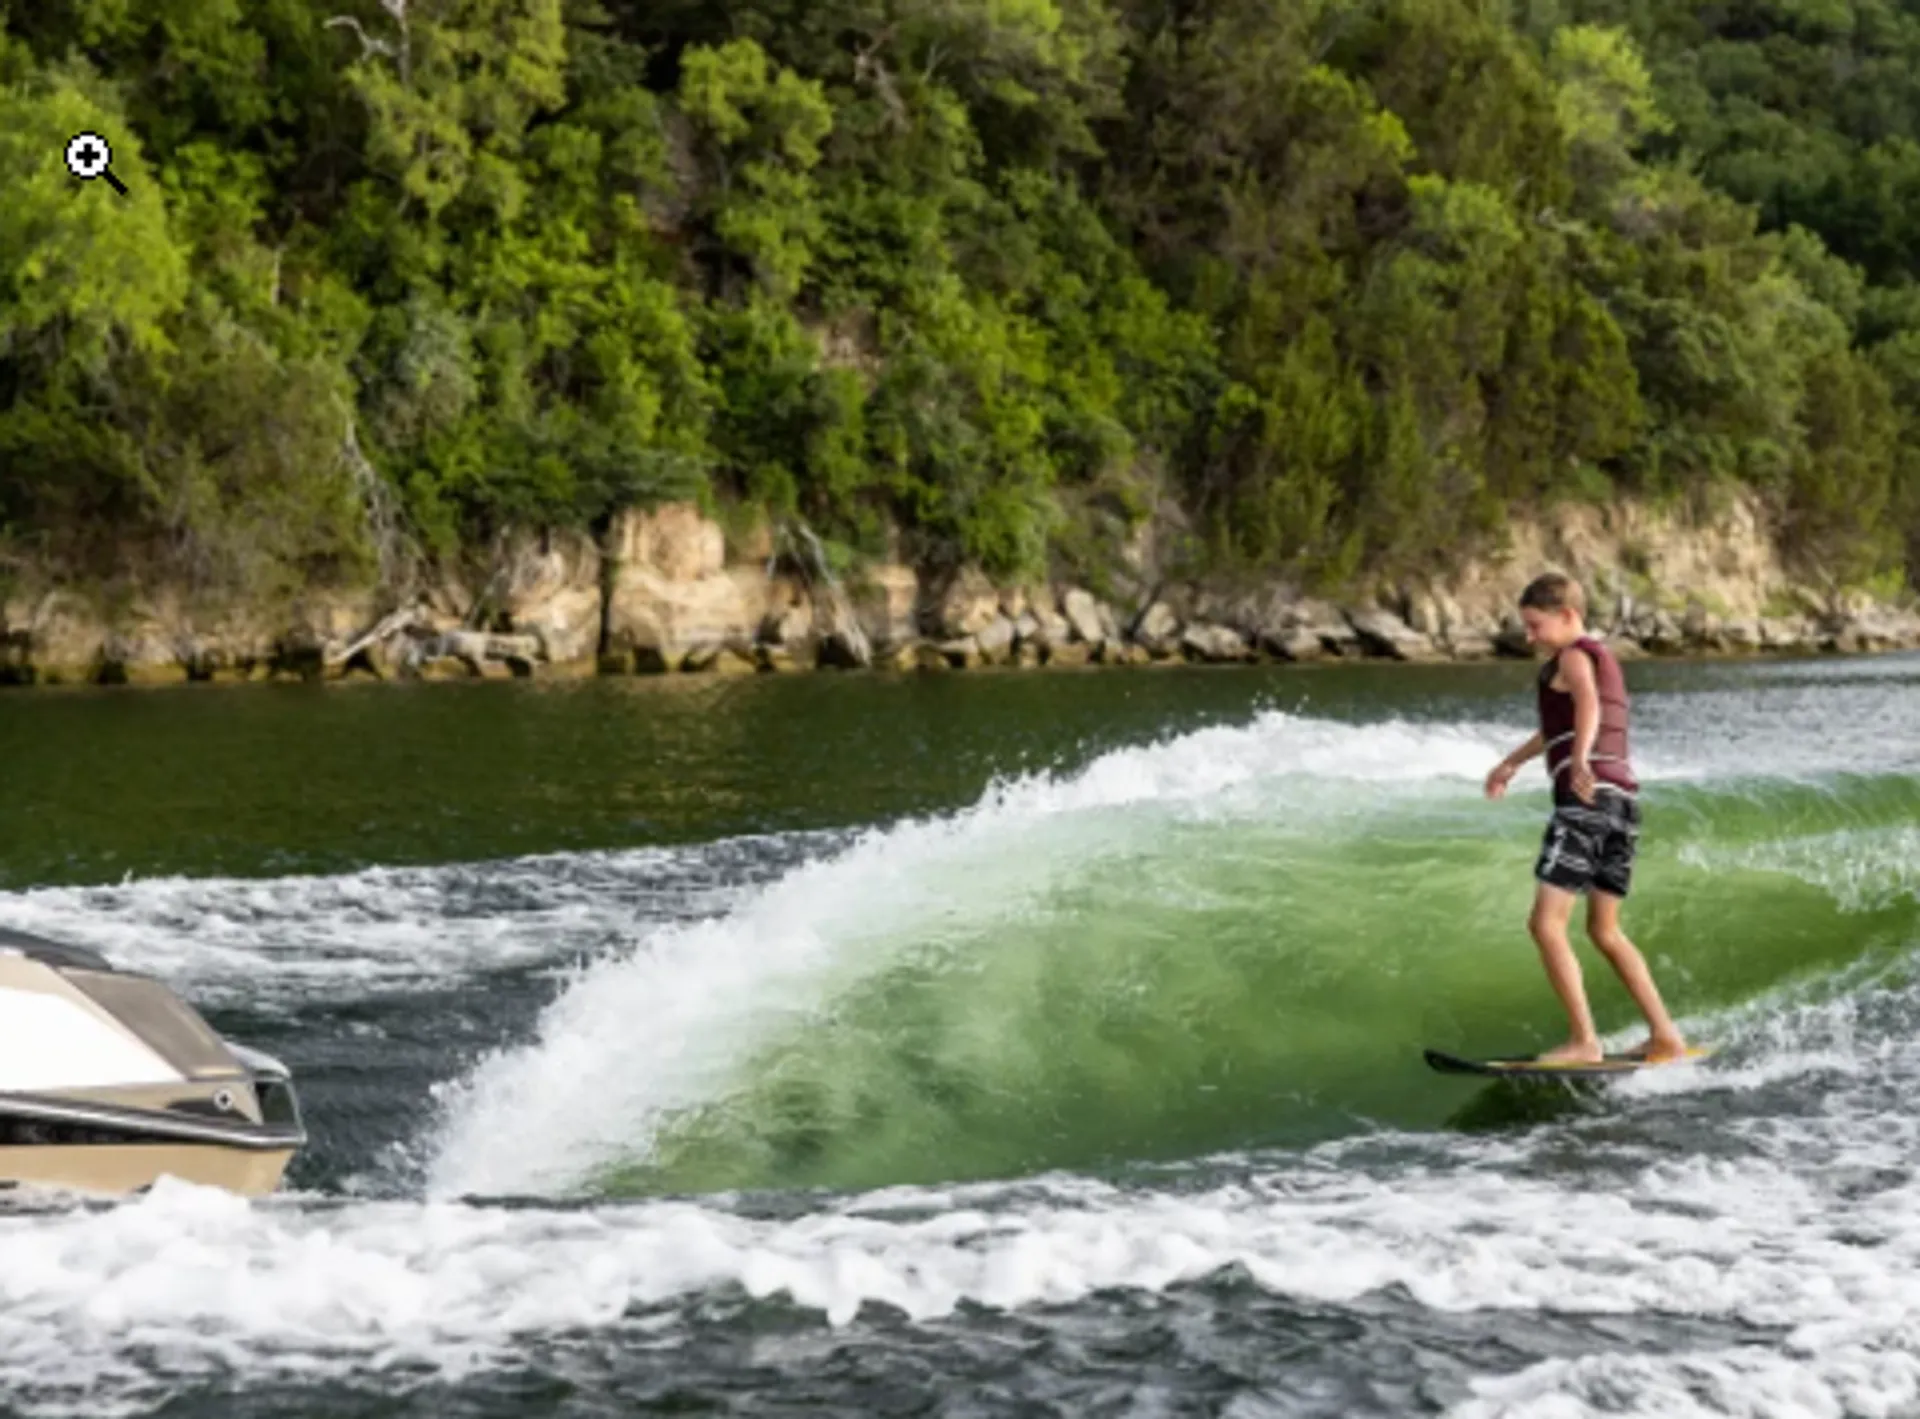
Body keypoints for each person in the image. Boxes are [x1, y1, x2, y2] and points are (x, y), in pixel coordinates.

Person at [1483, 573, 1689, 1065]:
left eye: (1536, 626)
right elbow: (1561, 721)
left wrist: (1579, 760)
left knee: (1546, 925)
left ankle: (1584, 1041)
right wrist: (1512, 761)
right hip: (1623, 807)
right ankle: (1665, 1036)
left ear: (1569, 616)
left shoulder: (1574, 656)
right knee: (1605, 931)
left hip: (1586, 803)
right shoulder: (1599, 659)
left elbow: (1589, 707)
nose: (1529, 637)